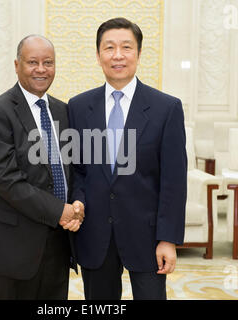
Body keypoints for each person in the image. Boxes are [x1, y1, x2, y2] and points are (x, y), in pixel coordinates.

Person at [68, 17, 187, 300]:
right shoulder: (79, 106)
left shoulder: (166, 108)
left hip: (146, 238)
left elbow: (173, 180)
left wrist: (167, 238)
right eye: (109, 48)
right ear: (98, 56)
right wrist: (77, 200)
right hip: (95, 235)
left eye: (126, 47)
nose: (117, 55)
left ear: (139, 53)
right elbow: (78, 170)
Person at [0, 35, 84, 300]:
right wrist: (60, 210)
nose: (41, 69)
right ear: (17, 64)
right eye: (33, 62)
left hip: (58, 243)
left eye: (48, 62)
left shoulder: (64, 111)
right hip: (12, 245)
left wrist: (77, 203)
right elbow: (5, 179)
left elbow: (72, 169)